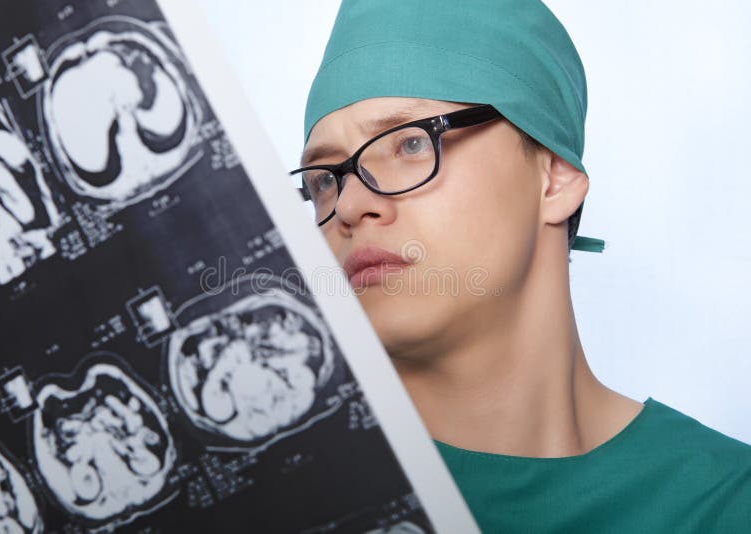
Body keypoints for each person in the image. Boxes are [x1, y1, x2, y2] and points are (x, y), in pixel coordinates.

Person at [289, 0, 751, 531]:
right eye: (326, 178)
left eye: (411, 143)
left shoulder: (728, 505)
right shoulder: (271, 494)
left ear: (554, 177)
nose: (347, 206)